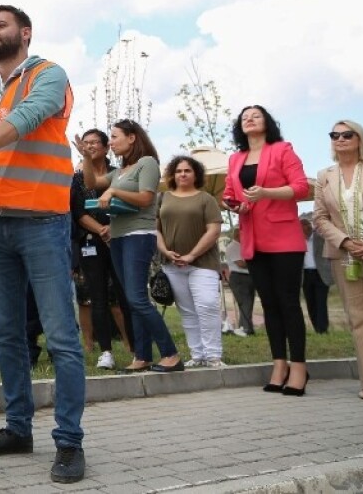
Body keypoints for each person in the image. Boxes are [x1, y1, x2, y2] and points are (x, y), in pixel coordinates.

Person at [0, 4, 85, 484]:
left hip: (44, 222)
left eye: (0, 25)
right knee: (7, 334)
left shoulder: (48, 74)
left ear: (24, 33)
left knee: (61, 337)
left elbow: (30, 116)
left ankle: (69, 443)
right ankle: (18, 427)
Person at [222, 105, 311, 396]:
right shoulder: (236, 158)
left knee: (288, 302)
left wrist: (265, 193)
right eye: (244, 116)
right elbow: (231, 194)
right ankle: (279, 364)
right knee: (269, 304)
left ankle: (299, 367)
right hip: (253, 238)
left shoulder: (283, 150)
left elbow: (299, 188)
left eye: (255, 115)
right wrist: (232, 203)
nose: (249, 118)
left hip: (284, 236)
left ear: (267, 122)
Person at [79, 119, 181, 375]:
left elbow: (146, 198)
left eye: (114, 137)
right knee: (132, 300)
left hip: (139, 235)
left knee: (136, 298)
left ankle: (170, 353)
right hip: (119, 238)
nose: (110, 142)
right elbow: (91, 185)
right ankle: (142, 356)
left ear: (132, 137)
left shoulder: (147, 163)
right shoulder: (120, 171)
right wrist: (87, 159)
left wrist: (114, 192)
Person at [311, 119, 363, 399]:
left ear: (359, 138)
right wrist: (345, 242)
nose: (340, 139)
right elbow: (319, 218)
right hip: (344, 255)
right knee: (358, 319)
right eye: (334, 134)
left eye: (347, 134)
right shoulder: (324, 175)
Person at [68, 128, 132, 371]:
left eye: (95, 142)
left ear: (106, 148)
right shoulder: (77, 179)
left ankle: (134, 346)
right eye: (86, 143)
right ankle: (105, 351)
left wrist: (112, 229)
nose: (90, 146)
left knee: (125, 295)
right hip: (91, 242)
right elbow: (78, 212)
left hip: (120, 238)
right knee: (97, 298)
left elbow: (128, 205)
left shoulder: (119, 174)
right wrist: (101, 230)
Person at [155, 155, 223, 368]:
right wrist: (165, 250)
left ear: (196, 174)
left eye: (187, 171)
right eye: (178, 171)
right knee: (187, 311)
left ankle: (213, 355)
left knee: (208, 306)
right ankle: (198, 355)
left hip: (202, 264)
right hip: (172, 265)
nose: (182, 174)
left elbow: (214, 230)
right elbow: (154, 229)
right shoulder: (162, 198)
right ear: (172, 175)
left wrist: (192, 255)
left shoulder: (206, 199)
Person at [299, 214, 331, 334]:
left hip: (320, 273)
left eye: (306, 227)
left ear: (309, 226)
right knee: (310, 302)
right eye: (301, 229)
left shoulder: (320, 237)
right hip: (306, 275)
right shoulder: (297, 240)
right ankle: (316, 327)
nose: (305, 231)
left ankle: (323, 329)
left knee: (321, 301)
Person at [223, 235, 255, 336]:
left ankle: (245, 327)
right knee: (245, 303)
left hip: (247, 276)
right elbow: (240, 264)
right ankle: (245, 328)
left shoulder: (241, 246)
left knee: (248, 303)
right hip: (239, 277)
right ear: (238, 235)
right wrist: (255, 263)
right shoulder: (233, 246)